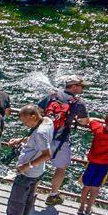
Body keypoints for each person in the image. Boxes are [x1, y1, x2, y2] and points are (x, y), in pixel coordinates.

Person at [0, 104, 53, 215]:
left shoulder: (40, 132)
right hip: (37, 172)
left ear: (33, 116)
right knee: (28, 199)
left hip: (27, 173)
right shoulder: (47, 121)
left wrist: (26, 166)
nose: (25, 124)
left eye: (26, 121)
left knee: (16, 202)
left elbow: (47, 154)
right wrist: (20, 140)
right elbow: (38, 140)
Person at [37, 76, 89, 206]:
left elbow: (39, 111)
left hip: (43, 136)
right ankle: (53, 195)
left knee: (37, 164)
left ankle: (31, 192)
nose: (82, 89)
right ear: (74, 86)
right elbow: (84, 121)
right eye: (81, 86)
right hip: (61, 140)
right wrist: (75, 119)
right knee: (61, 168)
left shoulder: (52, 95)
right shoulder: (78, 102)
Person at [77, 111, 108, 215]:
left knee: (86, 186)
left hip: (92, 162)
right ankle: (88, 209)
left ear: (105, 121)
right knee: (95, 188)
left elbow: (91, 119)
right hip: (104, 164)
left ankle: (81, 207)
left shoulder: (98, 129)